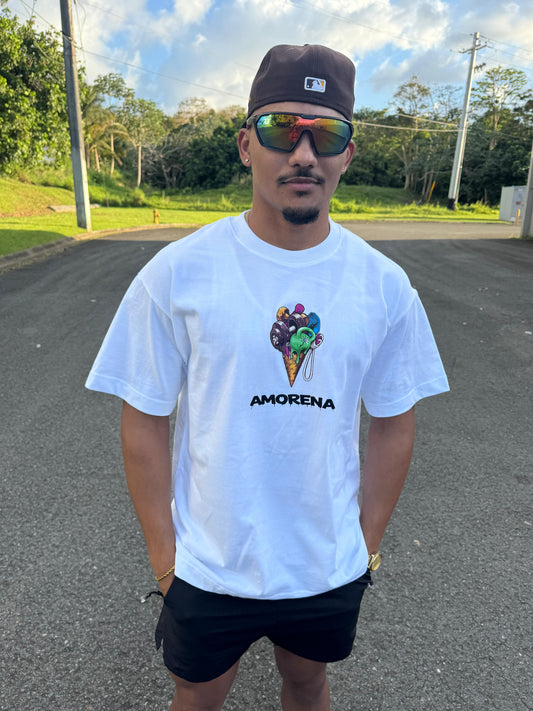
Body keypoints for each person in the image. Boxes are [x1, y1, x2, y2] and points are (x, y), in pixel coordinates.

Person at [86, 44, 449, 711]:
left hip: (325, 565)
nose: (303, 154)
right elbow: (144, 416)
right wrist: (165, 560)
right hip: (208, 561)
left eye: (325, 135)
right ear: (245, 144)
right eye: (281, 129)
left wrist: (363, 547)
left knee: (307, 682)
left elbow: (395, 420)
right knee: (198, 694)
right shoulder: (178, 273)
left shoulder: (383, 285)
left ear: (347, 153)